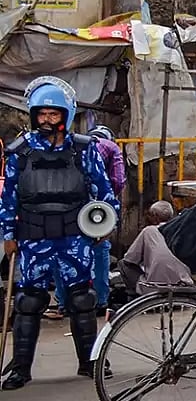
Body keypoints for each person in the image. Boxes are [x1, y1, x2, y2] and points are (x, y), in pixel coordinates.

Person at [0, 77, 120, 390]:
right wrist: (8, 234)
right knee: (28, 301)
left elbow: (104, 191)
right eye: (42, 114)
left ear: (65, 115)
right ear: (33, 114)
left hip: (74, 237)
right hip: (33, 237)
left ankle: (90, 362)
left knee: (82, 299)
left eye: (54, 115)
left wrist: (106, 225)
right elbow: (9, 197)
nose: (48, 120)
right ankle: (21, 370)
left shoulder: (83, 150)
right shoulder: (19, 152)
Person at [80, 125, 125, 317]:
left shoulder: (76, 145)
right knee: (100, 250)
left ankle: (65, 301)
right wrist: (108, 203)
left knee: (68, 252)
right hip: (97, 208)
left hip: (72, 207)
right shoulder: (111, 147)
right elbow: (118, 180)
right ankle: (100, 301)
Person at [118, 201, 192, 297]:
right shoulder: (180, 230)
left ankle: (137, 296)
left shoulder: (149, 230)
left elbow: (130, 258)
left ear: (155, 216)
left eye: (150, 215)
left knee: (123, 264)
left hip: (155, 288)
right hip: (182, 284)